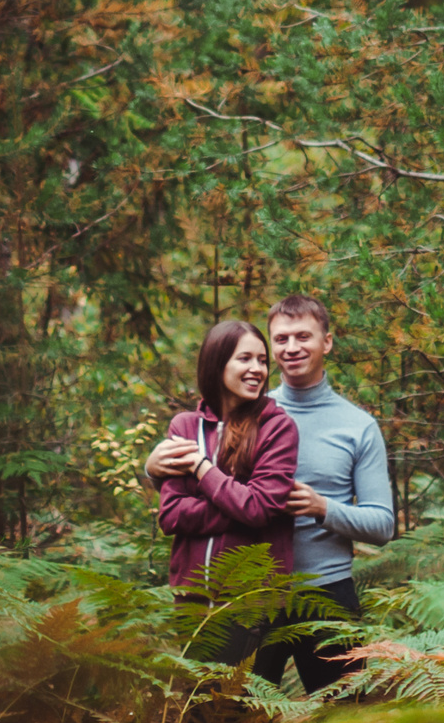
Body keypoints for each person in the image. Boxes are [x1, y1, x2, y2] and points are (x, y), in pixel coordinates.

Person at [149, 293, 393, 691]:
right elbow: (191, 492)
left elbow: (382, 524)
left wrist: (323, 508)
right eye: (280, 340)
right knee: (236, 718)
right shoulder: (244, 408)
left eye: (303, 337)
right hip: (249, 590)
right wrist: (151, 469)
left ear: (326, 342)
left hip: (323, 591)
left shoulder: (357, 425)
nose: (291, 348)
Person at [155, 319, 301, 662]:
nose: (258, 369)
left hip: (249, 601)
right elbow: (171, 515)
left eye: (263, 360)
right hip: (191, 600)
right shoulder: (185, 426)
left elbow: (258, 509)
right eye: (245, 359)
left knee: (239, 711)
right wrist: (238, 503)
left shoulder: (277, 428)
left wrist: (202, 469)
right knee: (200, 708)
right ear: (217, 363)